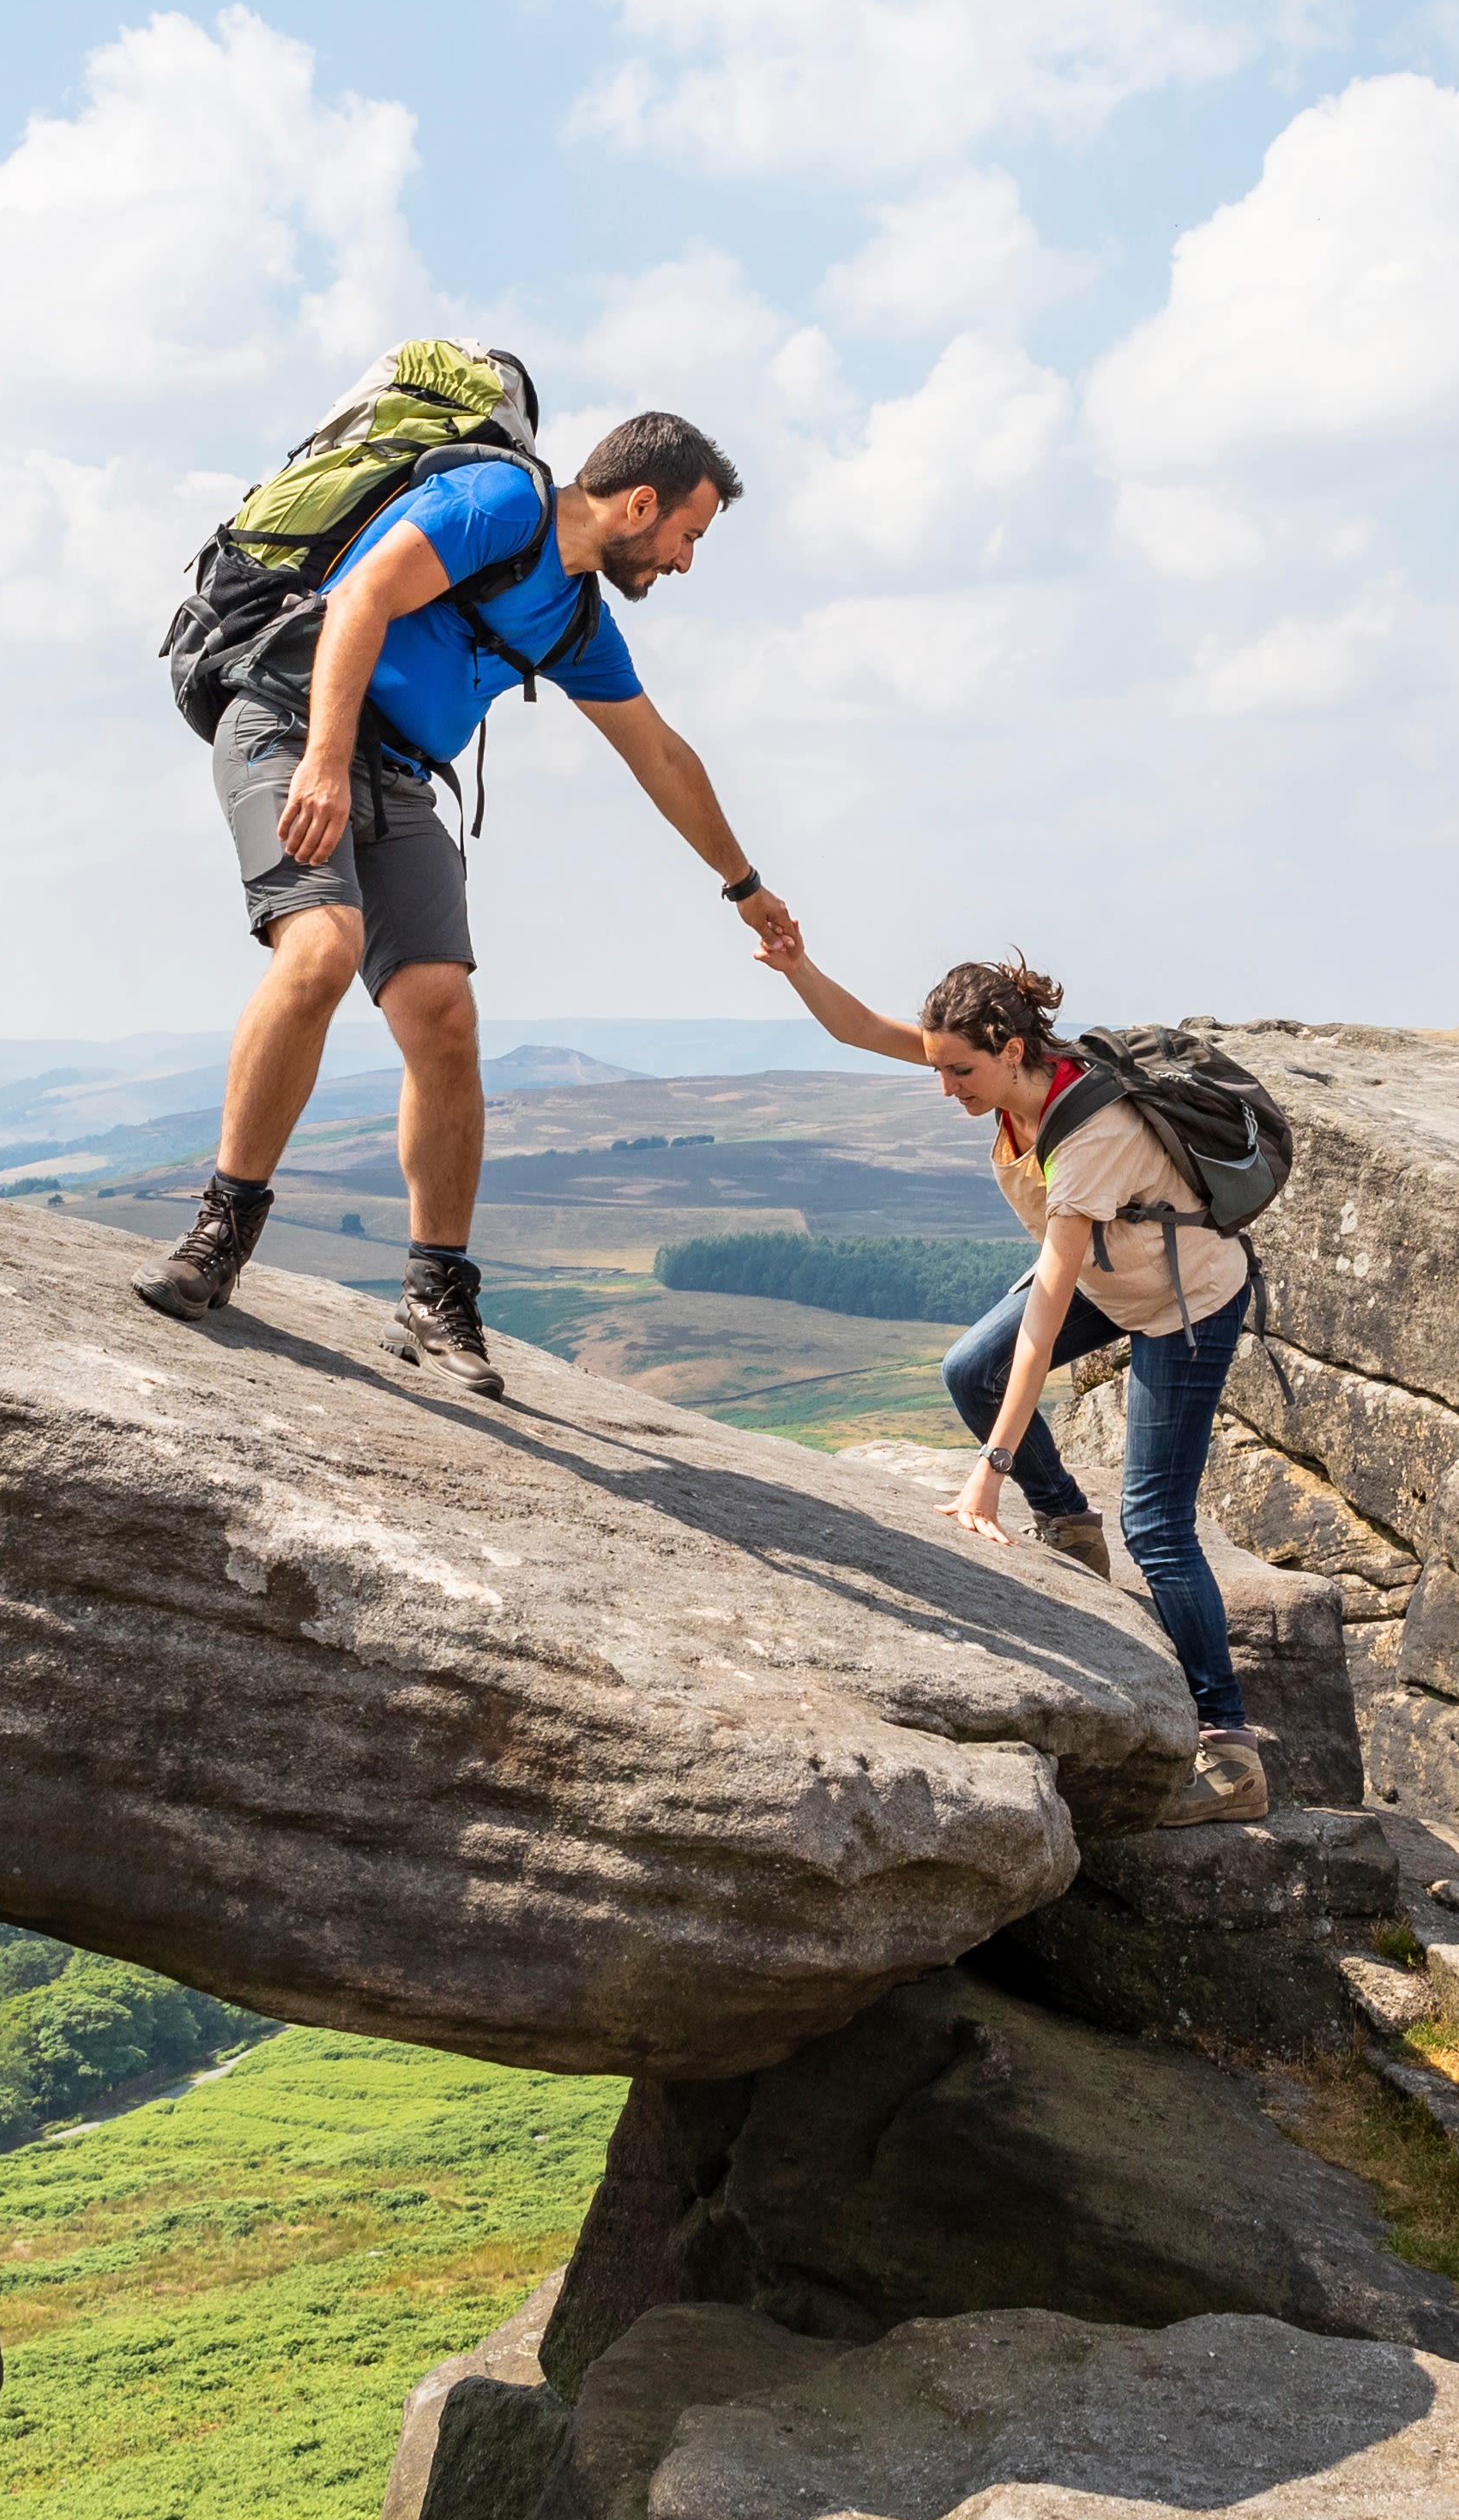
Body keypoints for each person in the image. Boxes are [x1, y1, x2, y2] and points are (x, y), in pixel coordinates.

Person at [136, 408, 795, 1390]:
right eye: (687, 536)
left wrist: (743, 885)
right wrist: (320, 761)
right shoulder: (497, 501)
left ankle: (434, 1289)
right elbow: (361, 599)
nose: (685, 563)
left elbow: (660, 754)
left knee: (442, 1013)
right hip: (290, 721)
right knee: (319, 948)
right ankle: (219, 1234)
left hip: (396, 773)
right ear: (642, 504)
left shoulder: (575, 618)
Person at [753, 934, 1275, 1825]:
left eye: (958, 1073)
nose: (943, 1089)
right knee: (969, 1369)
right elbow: (855, 1029)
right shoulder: (994, 1075)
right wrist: (796, 963)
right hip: (1120, 1274)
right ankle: (1070, 1525)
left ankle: (1229, 1752)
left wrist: (986, 1476)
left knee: (1156, 1525)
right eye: (937, 1069)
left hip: (1183, 1305)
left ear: (1011, 1051)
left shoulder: (1092, 1136)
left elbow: (1040, 1327)